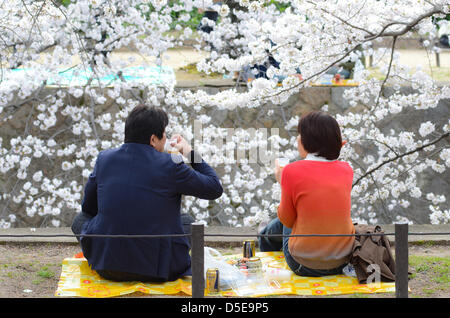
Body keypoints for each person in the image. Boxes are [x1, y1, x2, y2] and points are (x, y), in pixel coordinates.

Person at [71, 105, 223, 282]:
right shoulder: (170, 164)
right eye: (164, 134)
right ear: (153, 139)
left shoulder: (104, 159)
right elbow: (215, 187)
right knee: (187, 221)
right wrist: (189, 152)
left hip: (108, 267)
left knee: (80, 219)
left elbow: (88, 208)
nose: (165, 139)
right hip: (160, 270)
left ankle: (108, 253)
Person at [259, 111, 355, 277]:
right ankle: (264, 234)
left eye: (300, 135)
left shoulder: (292, 171)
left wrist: (282, 181)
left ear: (306, 140)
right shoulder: (347, 169)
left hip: (303, 264)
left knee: (289, 218)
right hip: (342, 261)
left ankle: (264, 240)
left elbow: (287, 219)